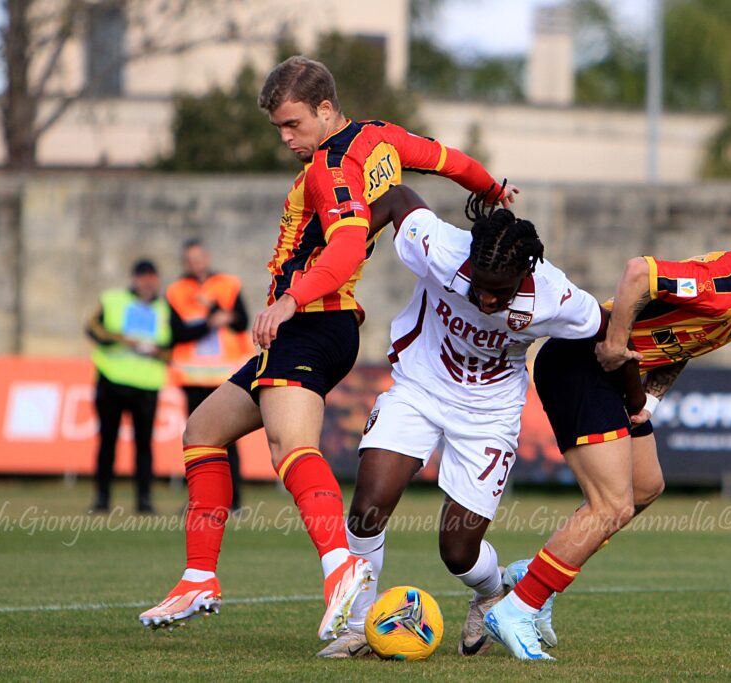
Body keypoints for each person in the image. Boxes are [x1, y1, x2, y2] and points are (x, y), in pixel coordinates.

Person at [139, 56, 517, 641]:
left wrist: (289, 301)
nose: (286, 139)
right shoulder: (380, 139)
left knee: (289, 444)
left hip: (314, 320)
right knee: (202, 433)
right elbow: (449, 160)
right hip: (316, 327)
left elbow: (342, 250)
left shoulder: (329, 168)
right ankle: (198, 577)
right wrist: (492, 188)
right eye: (279, 130)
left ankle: (341, 565)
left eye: (292, 125)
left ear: (323, 108)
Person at [485, 209, 731, 660]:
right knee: (611, 504)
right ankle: (517, 608)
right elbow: (639, 273)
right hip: (580, 361)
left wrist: (648, 403)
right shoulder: (726, 286)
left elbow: (683, 344)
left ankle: (532, 575)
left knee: (645, 487)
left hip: (617, 378)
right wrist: (616, 344)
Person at [316, 184, 605, 658]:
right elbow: (395, 198)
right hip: (418, 388)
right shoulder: (440, 248)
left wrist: (635, 399)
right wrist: (345, 248)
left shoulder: (554, 295)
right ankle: (356, 624)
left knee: (457, 551)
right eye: (481, 288)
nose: (488, 302)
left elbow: (603, 330)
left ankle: (492, 591)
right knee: (369, 504)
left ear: (525, 275)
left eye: (501, 293)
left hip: (488, 416)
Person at [167, 238, 253, 511]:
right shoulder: (176, 291)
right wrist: (211, 322)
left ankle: (234, 500)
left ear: (207, 258)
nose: (196, 264)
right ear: (185, 263)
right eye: (190, 260)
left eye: (199, 258)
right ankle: (202, 499)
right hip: (192, 378)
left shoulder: (227, 284)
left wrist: (214, 307)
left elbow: (241, 322)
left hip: (225, 376)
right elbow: (177, 333)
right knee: (198, 441)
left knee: (230, 440)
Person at [87, 259, 173, 515]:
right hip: (112, 380)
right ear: (134, 279)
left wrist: (156, 351)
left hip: (147, 384)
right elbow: (92, 329)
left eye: (152, 277)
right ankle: (102, 499)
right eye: (143, 277)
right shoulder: (113, 300)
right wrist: (123, 340)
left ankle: (144, 501)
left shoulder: (165, 309)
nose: (148, 282)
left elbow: (173, 348)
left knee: (144, 446)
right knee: (107, 443)